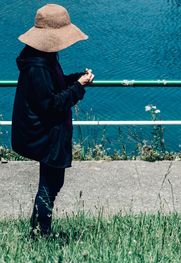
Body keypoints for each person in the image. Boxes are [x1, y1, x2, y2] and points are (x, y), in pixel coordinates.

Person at [11, 4, 94, 237]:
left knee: (50, 183)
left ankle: (38, 230)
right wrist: (78, 87)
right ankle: (40, 234)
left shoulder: (41, 58)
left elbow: (52, 88)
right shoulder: (38, 66)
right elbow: (52, 103)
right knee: (50, 184)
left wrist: (75, 78)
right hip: (46, 134)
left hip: (47, 131)